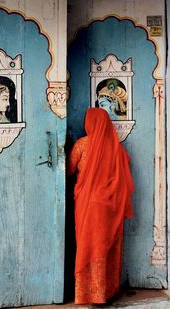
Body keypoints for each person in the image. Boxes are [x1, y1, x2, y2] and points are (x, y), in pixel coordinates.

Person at [67, 108, 134, 305]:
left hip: (88, 206)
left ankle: (87, 294)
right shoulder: (117, 149)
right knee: (107, 247)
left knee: (88, 246)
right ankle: (105, 293)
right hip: (110, 208)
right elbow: (123, 179)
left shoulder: (82, 145)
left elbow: (69, 169)